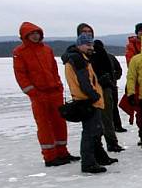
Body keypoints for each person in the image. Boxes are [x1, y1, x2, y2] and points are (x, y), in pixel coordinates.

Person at [12, 22, 77, 167]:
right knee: (44, 125)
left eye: (37, 33)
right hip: (38, 94)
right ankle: (50, 157)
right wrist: (33, 93)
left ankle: (62, 152)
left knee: (59, 123)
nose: (35, 36)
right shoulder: (20, 52)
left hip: (54, 92)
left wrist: (59, 85)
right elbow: (21, 75)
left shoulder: (47, 50)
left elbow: (53, 69)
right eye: (32, 34)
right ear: (25, 36)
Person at [62, 33, 116, 173]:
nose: (90, 47)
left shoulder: (83, 58)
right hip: (87, 100)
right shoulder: (77, 59)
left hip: (90, 100)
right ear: (79, 45)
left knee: (97, 130)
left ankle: (99, 157)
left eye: (91, 44)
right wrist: (94, 95)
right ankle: (88, 163)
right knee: (90, 132)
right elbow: (84, 81)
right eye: (87, 44)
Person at [76, 23, 124, 152]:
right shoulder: (77, 53)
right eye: (84, 31)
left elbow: (110, 67)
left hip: (104, 87)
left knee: (107, 117)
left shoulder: (99, 50)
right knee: (92, 122)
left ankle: (111, 143)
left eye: (89, 31)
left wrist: (109, 81)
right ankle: (94, 150)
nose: (87, 33)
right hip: (87, 91)